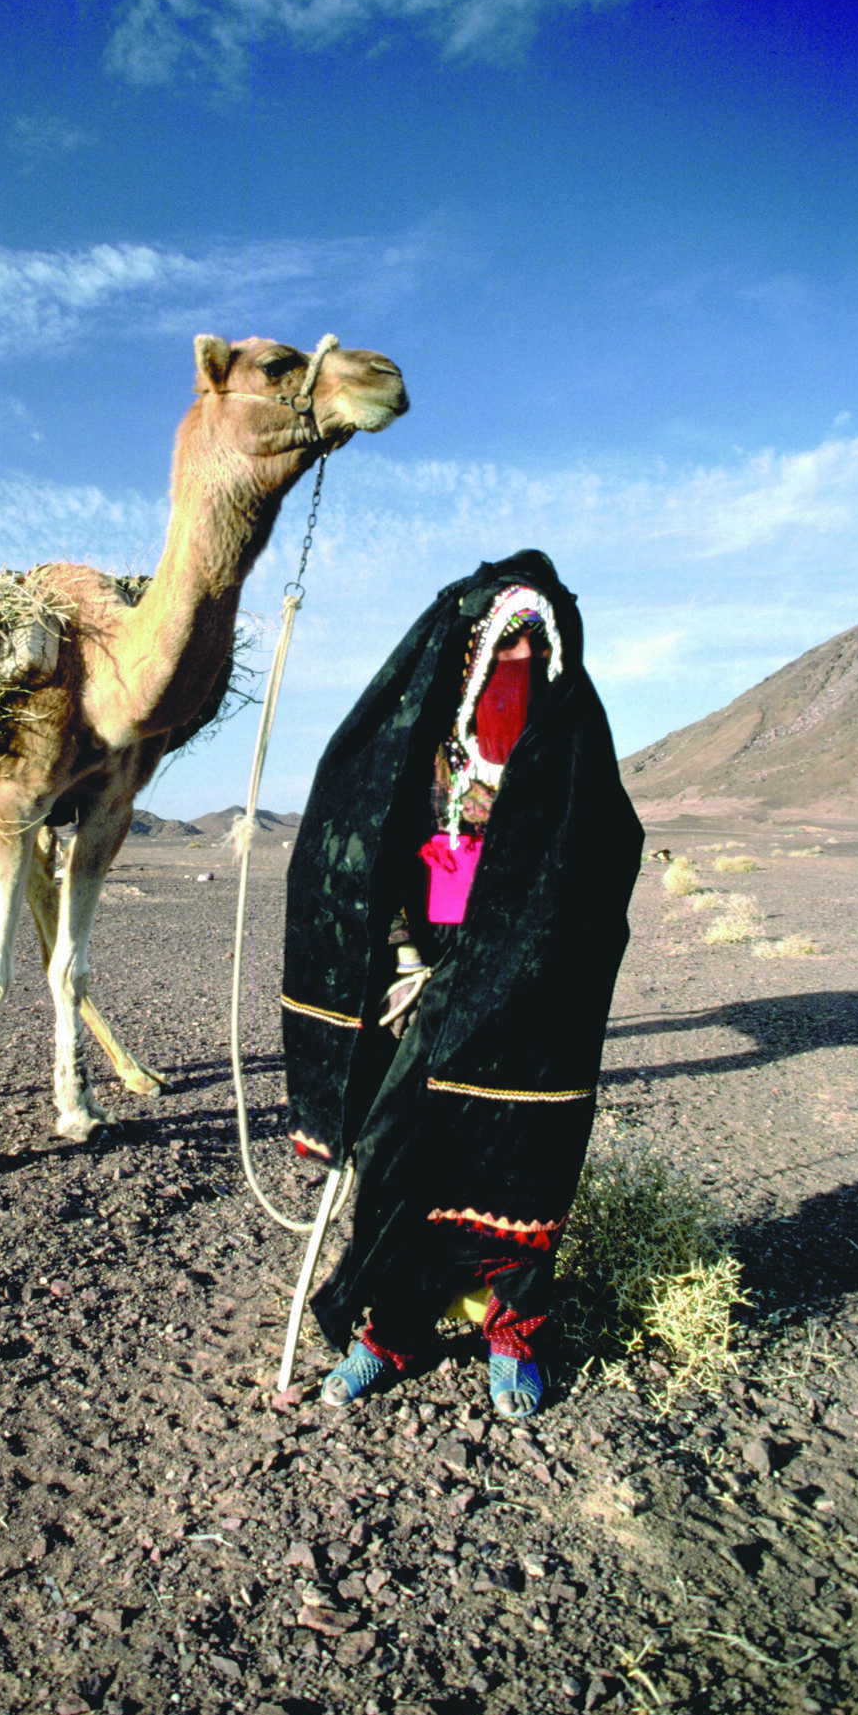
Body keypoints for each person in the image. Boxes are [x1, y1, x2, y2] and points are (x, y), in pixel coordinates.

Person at [281, 551, 642, 1418]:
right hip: (429, 969)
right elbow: (375, 853)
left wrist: (529, 952)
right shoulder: (429, 748)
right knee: (402, 1146)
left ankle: (513, 1334)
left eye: (533, 644)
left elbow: (600, 869)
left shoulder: (572, 751)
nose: (517, 660)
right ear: (471, 646)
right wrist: (406, 956)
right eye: (504, 642)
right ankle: (392, 1328)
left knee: (520, 1161)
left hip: (532, 975)